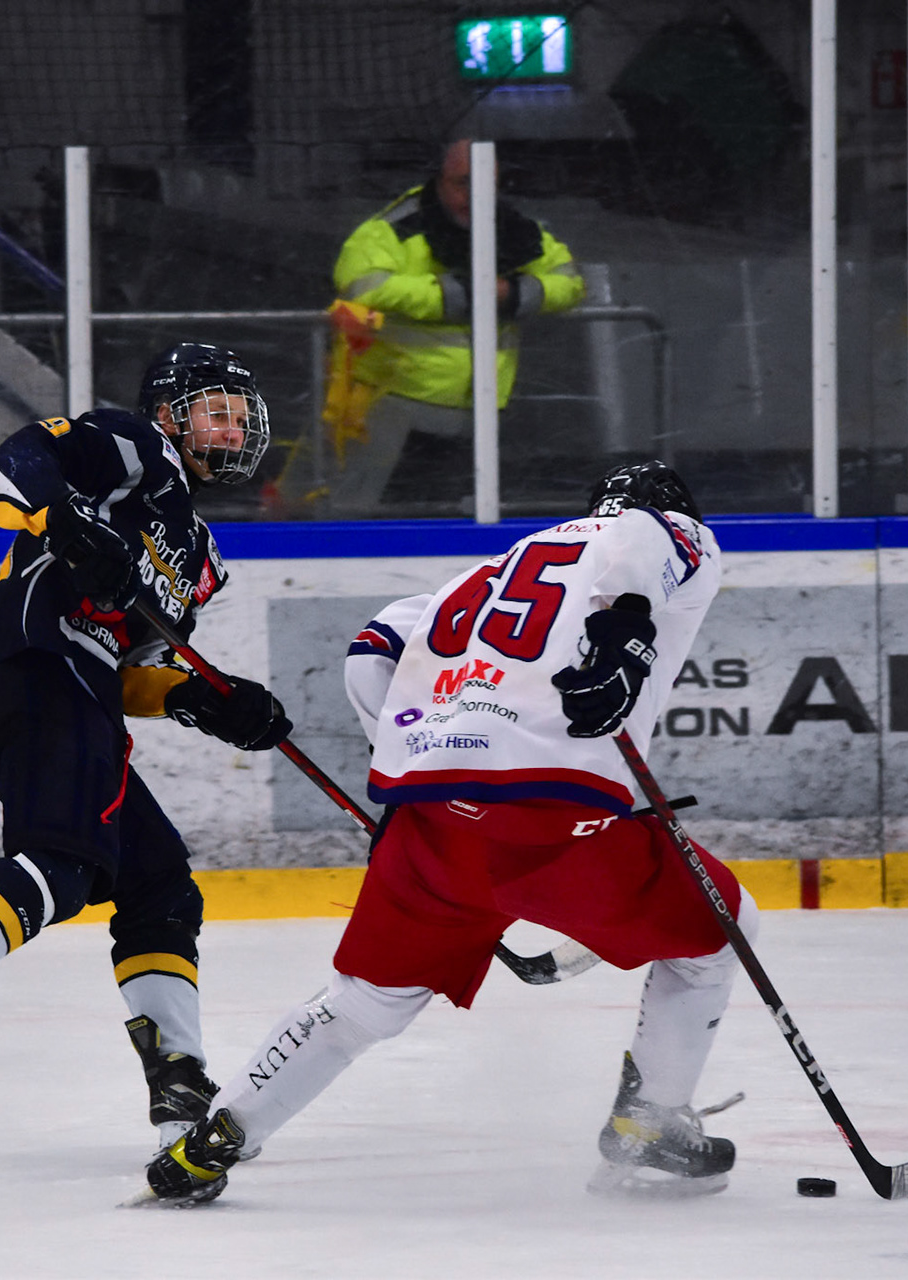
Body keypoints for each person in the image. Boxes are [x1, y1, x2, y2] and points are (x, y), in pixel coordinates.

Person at [139, 459, 759, 1204]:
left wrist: (401, 765)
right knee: (723, 931)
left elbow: (372, 650)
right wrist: (623, 637)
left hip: (432, 815)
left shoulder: (491, 569)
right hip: (554, 816)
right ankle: (650, 1126)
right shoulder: (665, 531)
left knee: (362, 1003)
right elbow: (641, 540)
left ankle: (213, 1141)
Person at [0, 342, 294, 1151]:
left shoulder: (201, 560)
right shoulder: (138, 450)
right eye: (214, 411)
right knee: (66, 856)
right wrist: (69, 524)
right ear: (168, 414)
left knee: (158, 881)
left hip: (71, 684)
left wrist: (203, 699)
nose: (231, 429)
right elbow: (18, 465)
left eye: (237, 417)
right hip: (26, 653)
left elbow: (124, 669)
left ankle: (179, 1083)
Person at [296, 138, 585, 517]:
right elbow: (361, 287)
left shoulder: (516, 231)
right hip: (392, 407)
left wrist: (511, 293)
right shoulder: (393, 229)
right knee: (355, 516)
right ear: (439, 180)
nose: (474, 195)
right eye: (463, 182)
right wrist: (457, 295)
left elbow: (570, 283)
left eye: (485, 184)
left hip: (481, 411)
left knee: (460, 519)